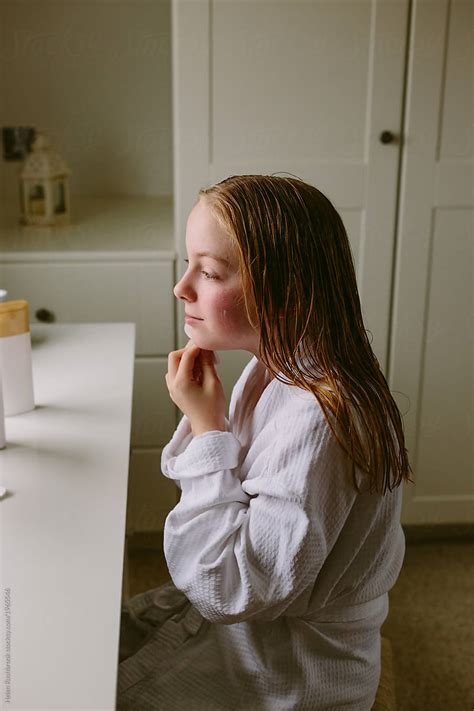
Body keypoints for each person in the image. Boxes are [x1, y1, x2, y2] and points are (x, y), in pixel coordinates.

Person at [116, 175, 411, 710]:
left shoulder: (320, 417)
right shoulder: (280, 365)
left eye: (208, 272)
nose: (182, 288)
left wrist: (209, 427)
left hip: (294, 673)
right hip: (267, 627)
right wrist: (212, 422)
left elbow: (227, 589)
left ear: (285, 287)